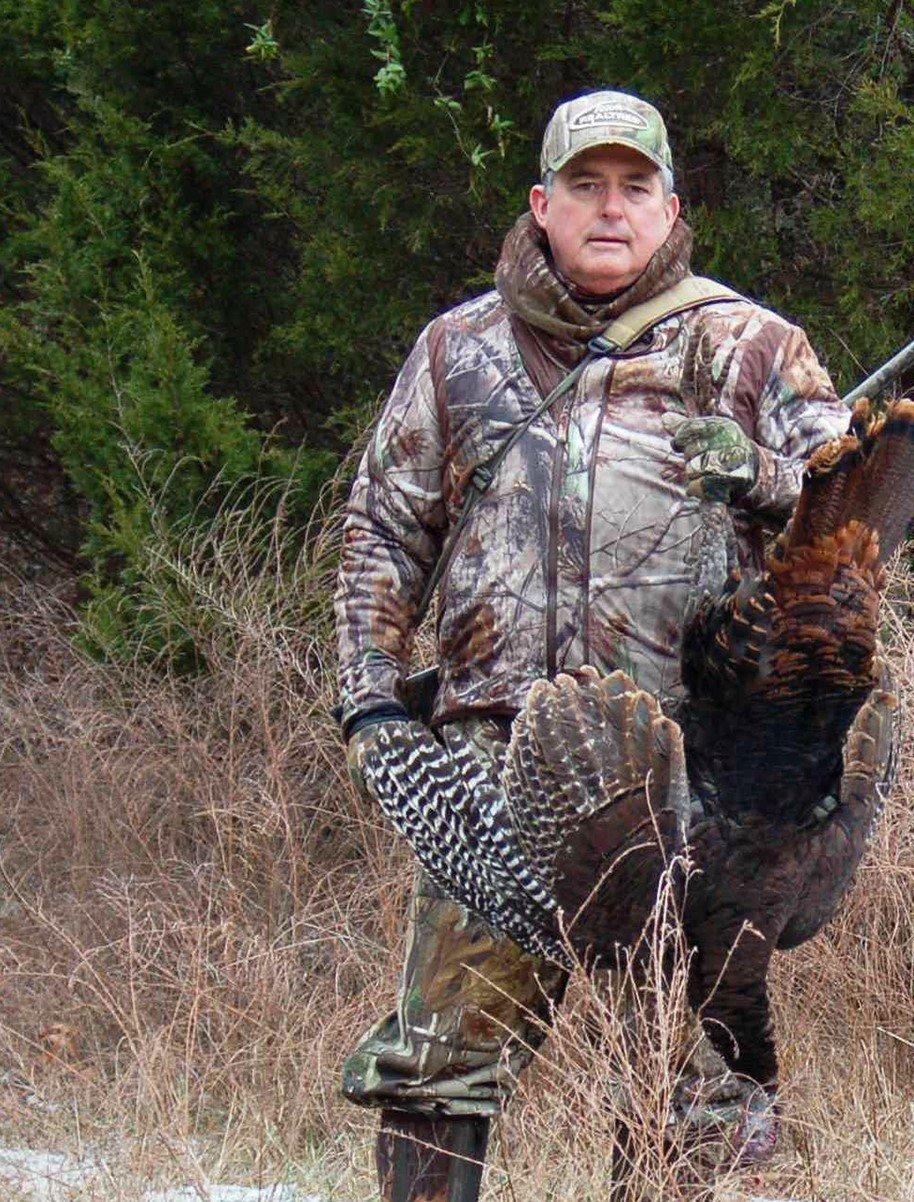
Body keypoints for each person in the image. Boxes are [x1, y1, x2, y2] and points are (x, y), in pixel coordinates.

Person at [334, 88, 852, 1202]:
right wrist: (371, 699)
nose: (609, 209)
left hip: (686, 768)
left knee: (682, 1074)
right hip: (490, 761)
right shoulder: (457, 351)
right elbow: (382, 527)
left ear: (672, 206)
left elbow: (854, 537)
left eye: (634, 187)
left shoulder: (752, 346)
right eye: (584, 185)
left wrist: (762, 481)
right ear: (542, 203)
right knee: (439, 1064)